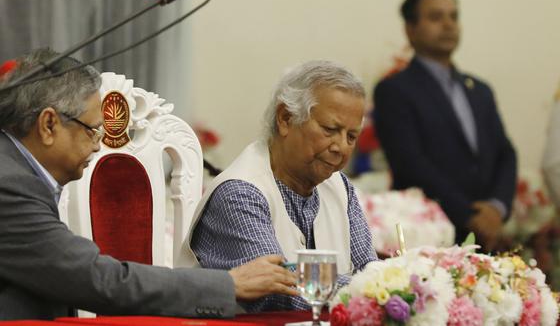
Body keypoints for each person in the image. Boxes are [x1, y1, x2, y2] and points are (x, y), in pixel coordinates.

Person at [0, 48, 297, 321]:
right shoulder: (10, 185)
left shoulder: (14, 168)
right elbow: (95, 278)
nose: (98, 145)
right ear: (49, 124)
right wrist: (229, 284)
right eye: (92, 130)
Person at [183, 60, 378, 312]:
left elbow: (368, 267)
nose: (341, 147)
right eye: (330, 130)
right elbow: (280, 291)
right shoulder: (239, 193)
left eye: (351, 136)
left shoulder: (340, 187)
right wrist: (380, 293)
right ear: (285, 118)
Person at [374, 0, 517, 251]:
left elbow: (505, 153)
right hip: (430, 236)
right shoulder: (394, 90)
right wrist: (469, 215)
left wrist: (497, 208)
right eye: (436, 17)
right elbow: (410, 162)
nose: (449, 25)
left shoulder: (480, 90)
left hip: (488, 233)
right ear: (410, 29)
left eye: (454, 16)